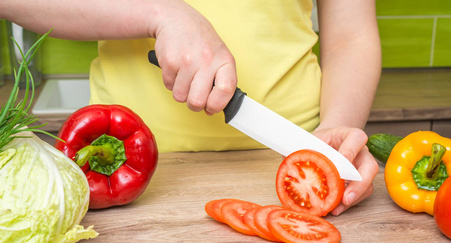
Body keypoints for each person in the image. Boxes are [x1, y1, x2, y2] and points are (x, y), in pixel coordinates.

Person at [0, 0, 380, 215]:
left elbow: (352, 33)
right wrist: (160, 14)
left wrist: (338, 129)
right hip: (118, 178)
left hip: (294, 160)